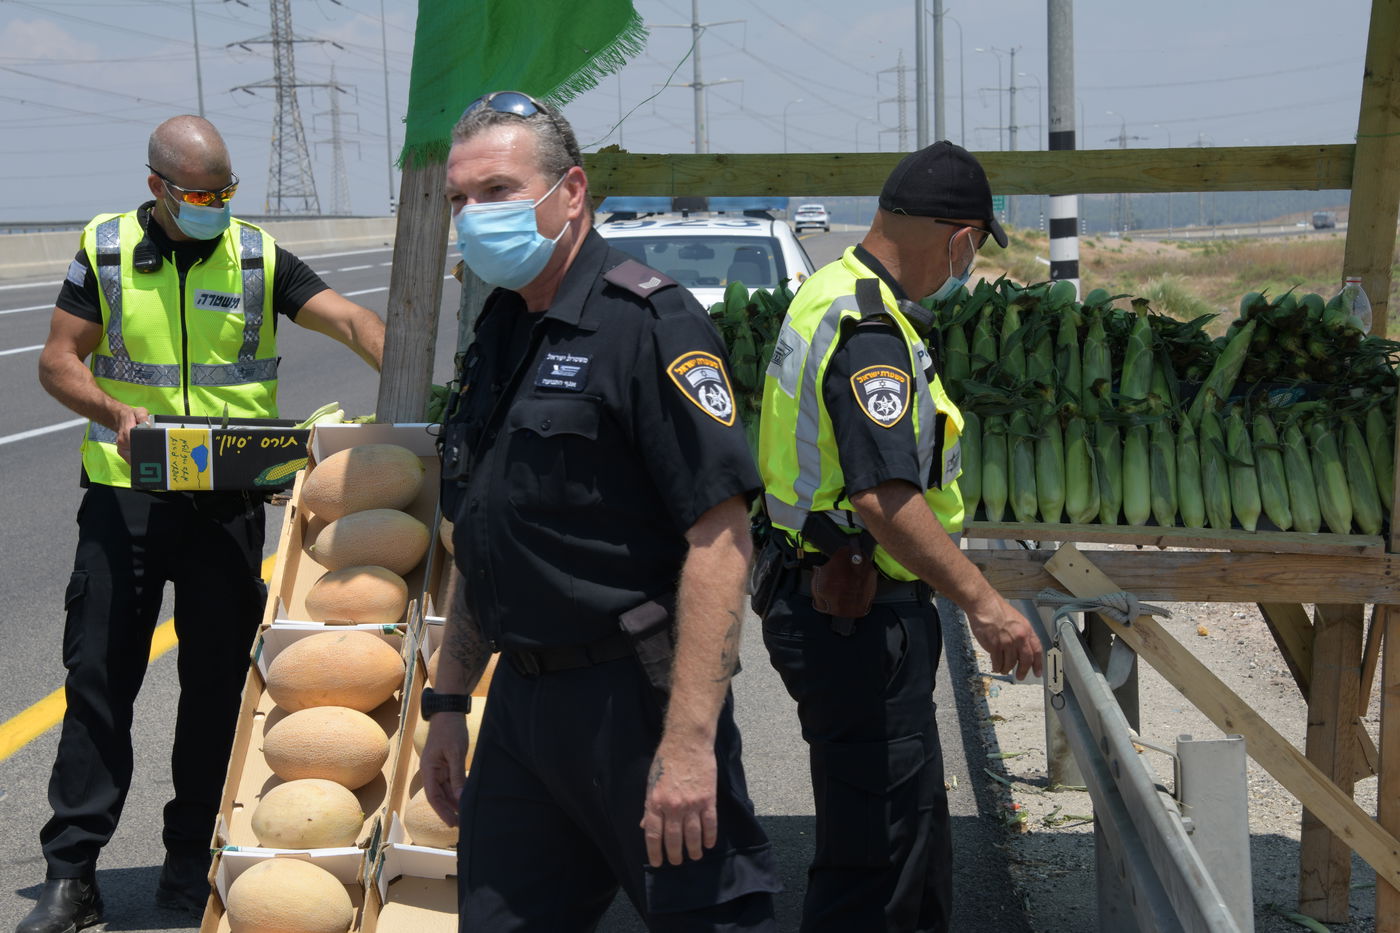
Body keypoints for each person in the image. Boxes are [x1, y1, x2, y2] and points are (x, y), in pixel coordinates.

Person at [420, 90, 780, 932]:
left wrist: (690, 742)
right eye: (458, 200)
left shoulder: (649, 324)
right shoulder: (501, 330)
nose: (473, 217)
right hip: (523, 712)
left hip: (636, 702)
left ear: (571, 192)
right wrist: (448, 703)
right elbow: (494, 534)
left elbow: (723, 537)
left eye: (498, 192)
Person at [19, 115, 385, 933]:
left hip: (225, 500)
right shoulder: (107, 248)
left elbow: (349, 319)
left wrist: (403, 371)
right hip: (128, 495)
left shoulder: (255, 254)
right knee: (100, 684)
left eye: (227, 192)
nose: (216, 206)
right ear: (156, 187)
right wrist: (114, 409)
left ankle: (194, 861)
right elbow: (58, 358)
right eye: (199, 194)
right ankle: (69, 875)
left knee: (218, 689)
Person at [751, 140, 1044, 933]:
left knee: (906, 841)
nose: (968, 264)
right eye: (975, 247)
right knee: (874, 864)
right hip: (859, 618)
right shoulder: (871, 331)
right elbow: (884, 500)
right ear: (957, 238)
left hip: (834, 599)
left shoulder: (829, 290)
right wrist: (984, 602)